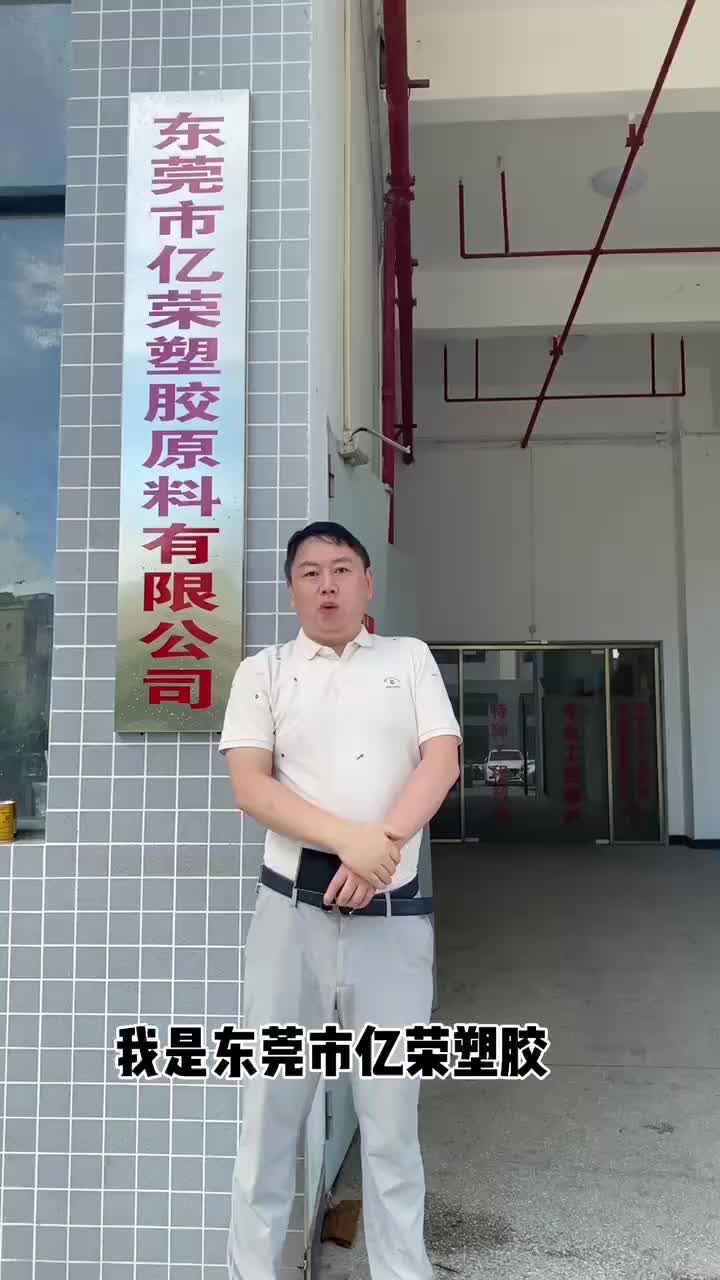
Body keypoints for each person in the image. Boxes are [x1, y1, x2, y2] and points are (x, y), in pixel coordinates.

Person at [219, 521, 462, 1280]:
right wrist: (349, 841)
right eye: (310, 572)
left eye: (342, 569)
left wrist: (379, 845)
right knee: (269, 1115)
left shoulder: (408, 659)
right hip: (289, 918)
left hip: (392, 921)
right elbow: (251, 786)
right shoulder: (262, 672)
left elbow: (442, 759)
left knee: (391, 1123)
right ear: (291, 589)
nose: (327, 585)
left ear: (367, 582)